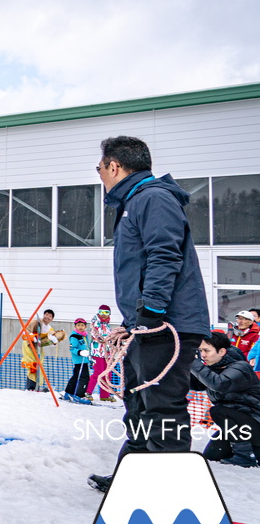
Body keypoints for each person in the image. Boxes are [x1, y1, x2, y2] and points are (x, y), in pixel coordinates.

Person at [89, 136, 211, 494]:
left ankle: (168, 493)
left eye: (99, 168)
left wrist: (152, 310)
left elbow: (164, 254)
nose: (100, 175)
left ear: (114, 166)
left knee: (161, 408)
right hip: (146, 326)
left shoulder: (152, 198)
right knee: (139, 403)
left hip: (164, 324)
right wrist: (134, 322)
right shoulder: (135, 201)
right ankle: (134, 480)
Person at [192, 331, 260, 468]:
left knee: (218, 411)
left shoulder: (241, 367)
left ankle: (245, 456)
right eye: (200, 350)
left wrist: (194, 364)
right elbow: (194, 385)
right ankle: (248, 451)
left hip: (255, 421)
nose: (202, 355)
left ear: (222, 351)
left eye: (206, 350)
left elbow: (219, 384)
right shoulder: (214, 368)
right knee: (211, 456)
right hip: (239, 426)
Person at [86, 306, 118, 402]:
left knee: (107, 373)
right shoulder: (96, 322)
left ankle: (105, 395)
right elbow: (97, 335)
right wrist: (106, 338)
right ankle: (88, 392)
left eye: (106, 313)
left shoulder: (107, 324)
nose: (104, 315)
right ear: (98, 313)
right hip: (97, 352)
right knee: (98, 372)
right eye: (102, 312)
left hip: (106, 353)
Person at [22, 309, 59, 391]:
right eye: (46, 314)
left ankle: (36, 386)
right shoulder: (36, 322)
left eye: (50, 316)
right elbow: (25, 331)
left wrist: (54, 341)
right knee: (32, 365)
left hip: (39, 347)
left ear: (52, 319)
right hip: (30, 345)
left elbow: (51, 341)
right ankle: (30, 387)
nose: (47, 317)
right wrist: (31, 337)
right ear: (43, 315)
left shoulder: (50, 329)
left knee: (39, 366)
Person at [64, 318, 94, 403]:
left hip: (84, 360)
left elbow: (87, 347)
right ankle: (80, 395)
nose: (80, 327)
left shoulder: (84, 335)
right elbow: (72, 348)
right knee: (84, 378)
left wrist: (90, 357)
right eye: (78, 325)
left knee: (76, 376)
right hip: (79, 360)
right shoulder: (74, 336)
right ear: (75, 326)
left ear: (85, 326)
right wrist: (80, 352)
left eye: (82, 325)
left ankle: (69, 393)